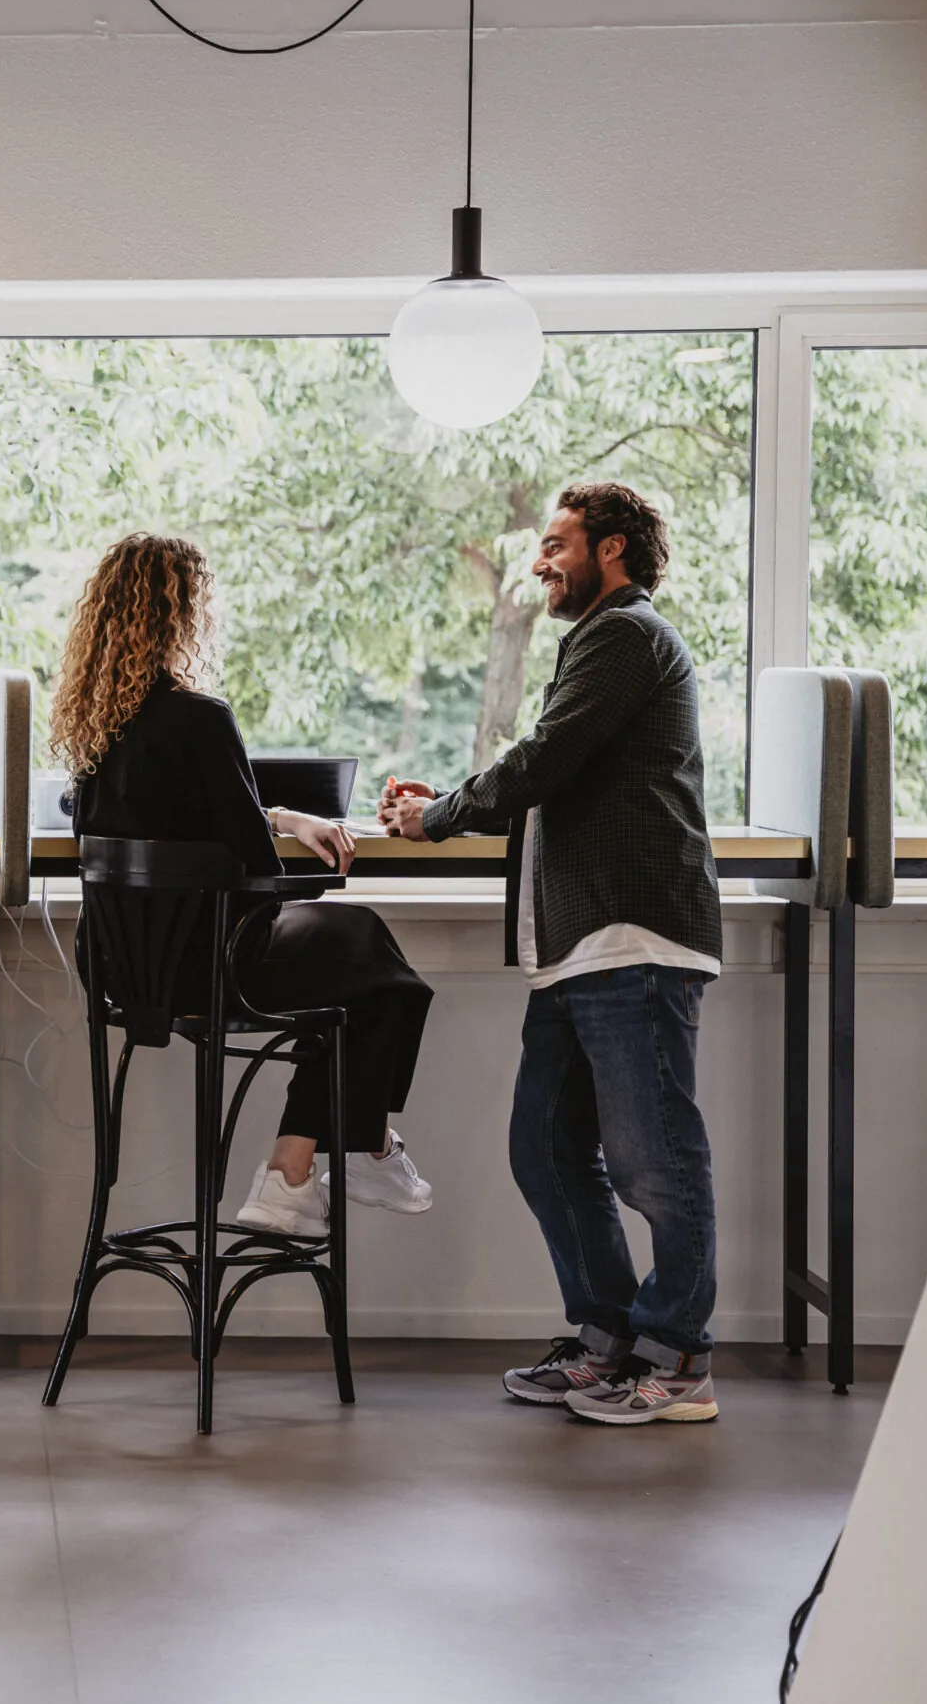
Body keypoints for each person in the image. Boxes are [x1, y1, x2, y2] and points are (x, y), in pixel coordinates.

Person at [382, 481, 722, 1425]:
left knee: (654, 1160)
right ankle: (610, 1339)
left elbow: (541, 760)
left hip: (632, 937)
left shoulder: (626, 636)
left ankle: (679, 1357)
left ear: (613, 549)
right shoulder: (602, 644)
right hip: (580, 948)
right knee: (546, 1145)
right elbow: (551, 765)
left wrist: (438, 815)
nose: (540, 561)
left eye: (558, 542)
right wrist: (446, 800)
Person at [56, 533, 436, 1235]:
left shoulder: (95, 731)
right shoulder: (202, 717)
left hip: (122, 973)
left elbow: (171, 821)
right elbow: (257, 868)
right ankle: (351, 1152)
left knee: (351, 976)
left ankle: (299, 1173)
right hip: (214, 968)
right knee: (371, 959)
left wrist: (282, 813)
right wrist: (301, 863)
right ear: (183, 613)